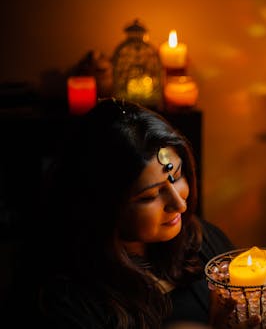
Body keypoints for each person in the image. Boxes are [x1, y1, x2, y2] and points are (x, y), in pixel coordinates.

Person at [4, 98, 243, 329]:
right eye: (150, 197)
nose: (179, 204)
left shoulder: (199, 240)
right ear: (102, 205)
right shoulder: (64, 302)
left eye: (177, 176)